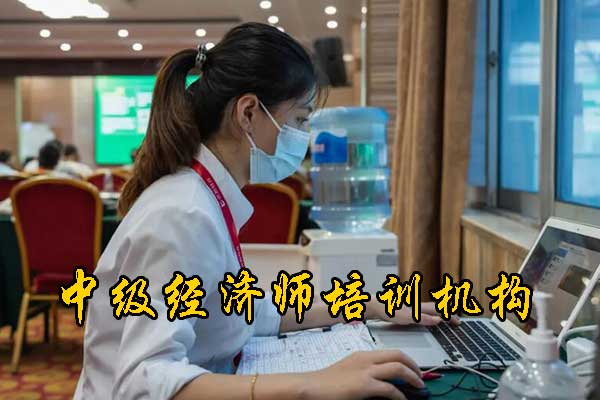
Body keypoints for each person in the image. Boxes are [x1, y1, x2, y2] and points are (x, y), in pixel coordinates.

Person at [75, 23, 454, 400]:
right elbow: (143, 382)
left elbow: (253, 316)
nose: (304, 138)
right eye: (300, 119)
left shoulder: (204, 197)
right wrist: (312, 384)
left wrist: (372, 307)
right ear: (248, 113)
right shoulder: (183, 214)